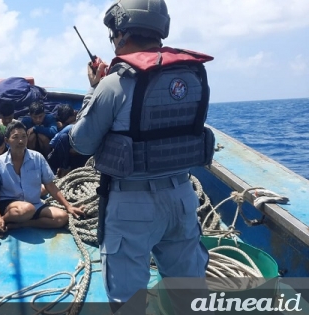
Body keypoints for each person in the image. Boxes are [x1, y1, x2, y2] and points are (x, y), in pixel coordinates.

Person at [69, 0, 214, 314]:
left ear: (122, 32)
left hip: (131, 206)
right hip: (182, 197)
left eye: (114, 35)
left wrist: (93, 89)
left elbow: (82, 142)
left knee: (128, 303)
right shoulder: (194, 76)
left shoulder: (114, 83)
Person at [0, 121, 85, 233]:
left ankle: (22, 224)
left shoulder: (37, 158)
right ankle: (5, 219)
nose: (21, 141)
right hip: (10, 205)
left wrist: (68, 206)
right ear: (6, 140)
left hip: (34, 203)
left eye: (24, 136)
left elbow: (50, 186)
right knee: (26, 209)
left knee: (61, 217)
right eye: (16, 137)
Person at [47, 104, 90, 177]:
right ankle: (63, 169)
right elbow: (53, 143)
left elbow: (52, 142)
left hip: (81, 154)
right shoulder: (69, 126)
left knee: (63, 137)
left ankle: (64, 169)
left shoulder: (72, 126)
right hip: (73, 154)